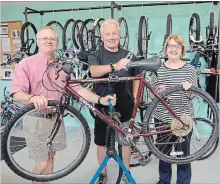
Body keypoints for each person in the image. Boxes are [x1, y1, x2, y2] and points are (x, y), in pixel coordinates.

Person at [10, 26, 116, 184]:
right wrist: (33, 98)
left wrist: (100, 100)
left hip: (56, 118)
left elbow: (78, 89)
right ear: (38, 41)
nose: (49, 41)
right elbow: (16, 93)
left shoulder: (62, 66)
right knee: (42, 161)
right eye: (45, 38)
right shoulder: (26, 64)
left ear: (57, 43)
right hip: (36, 119)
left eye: (52, 39)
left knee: (51, 156)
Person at [88, 19, 140, 184]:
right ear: (102, 36)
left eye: (114, 33)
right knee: (101, 142)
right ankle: (102, 174)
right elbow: (93, 71)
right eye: (108, 34)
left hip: (125, 105)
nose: (111, 37)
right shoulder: (96, 54)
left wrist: (136, 97)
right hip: (102, 105)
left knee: (126, 141)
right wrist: (114, 67)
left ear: (119, 35)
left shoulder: (129, 55)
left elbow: (137, 77)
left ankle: (126, 172)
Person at [150, 34, 197, 184]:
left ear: (182, 50)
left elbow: (192, 95)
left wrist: (190, 88)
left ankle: (183, 181)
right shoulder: (158, 69)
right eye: (171, 46)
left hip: (183, 118)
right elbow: (151, 96)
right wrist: (156, 91)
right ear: (166, 49)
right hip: (162, 117)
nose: (174, 49)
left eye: (177, 46)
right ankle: (164, 180)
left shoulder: (189, 69)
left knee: (183, 153)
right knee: (164, 152)